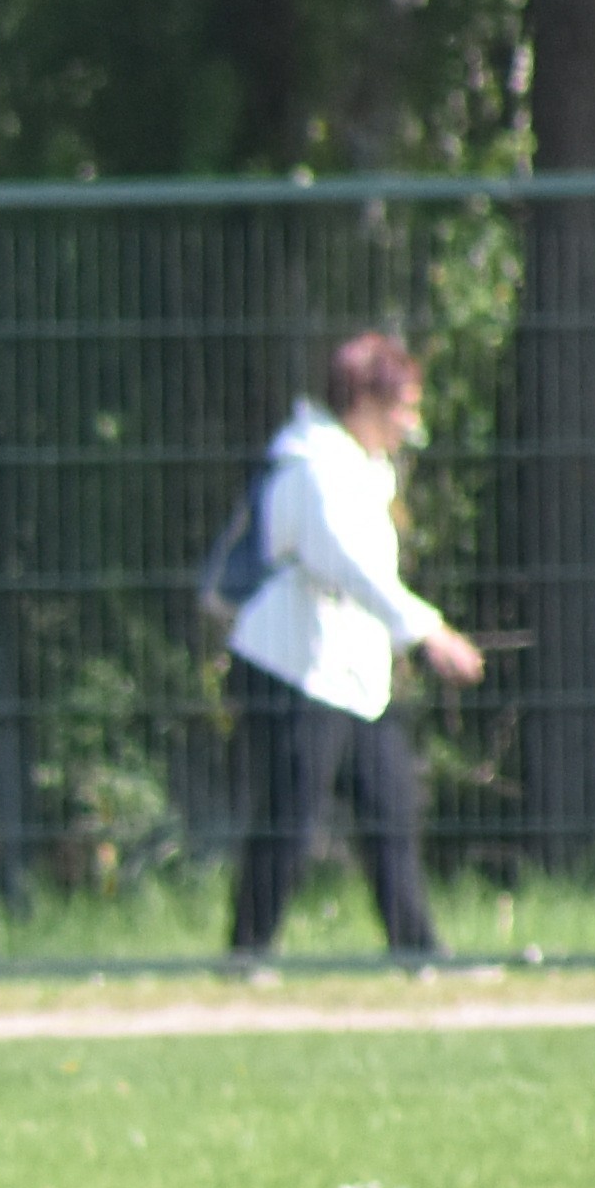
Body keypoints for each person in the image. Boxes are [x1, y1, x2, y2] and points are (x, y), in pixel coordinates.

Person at [224, 330, 480, 969]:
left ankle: (417, 952)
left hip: (348, 676)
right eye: (404, 408)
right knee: (290, 819)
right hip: (292, 669)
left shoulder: (357, 467)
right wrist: (428, 633)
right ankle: (247, 954)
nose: (410, 424)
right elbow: (352, 567)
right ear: (364, 399)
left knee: (392, 809)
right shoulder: (315, 469)